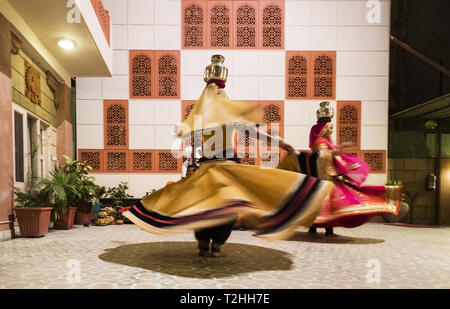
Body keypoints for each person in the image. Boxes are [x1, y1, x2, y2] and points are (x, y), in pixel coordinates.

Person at [122, 55, 334, 256]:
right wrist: (282, 143)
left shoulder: (200, 116)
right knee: (228, 208)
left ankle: (204, 243)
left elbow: (183, 133)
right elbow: (255, 133)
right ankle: (215, 246)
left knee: (205, 207)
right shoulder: (218, 116)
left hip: (208, 170)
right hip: (226, 170)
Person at [279, 101, 401, 236]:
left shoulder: (327, 143)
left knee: (327, 205)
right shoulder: (321, 143)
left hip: (327, 178)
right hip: (323, 179)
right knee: (323, 205)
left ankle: (322, 229)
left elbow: (331, 159)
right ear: (324, 128)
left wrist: (342, 163)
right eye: (331, 127)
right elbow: (321, 158)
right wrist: (336, 155)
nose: (332, 130)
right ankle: (318, 229)